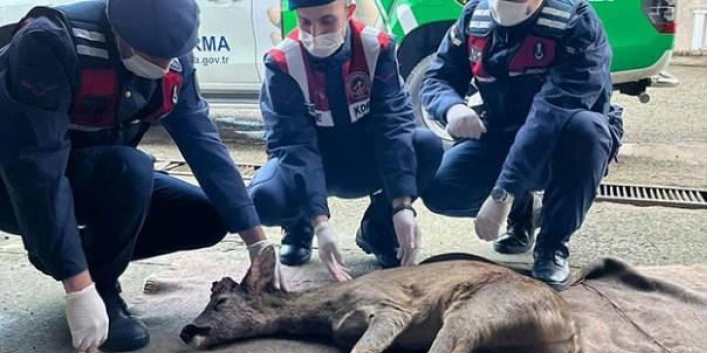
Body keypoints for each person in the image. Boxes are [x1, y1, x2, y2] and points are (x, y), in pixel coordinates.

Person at [0, 0, 283, 353]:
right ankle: (98, 285)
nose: (163, 67)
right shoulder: (50, 44)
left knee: (207, 217)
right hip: (16, 189)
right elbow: (36, 171)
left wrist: (257, 242)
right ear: (116, 28)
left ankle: (67, 255)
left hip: (101, 177)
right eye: (152, 54)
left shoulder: (174, 58)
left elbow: (203, 143)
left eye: (172, 56)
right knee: (133, 168)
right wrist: (77, 284)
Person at [419, 0, 624, 291]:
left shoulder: (574, 22)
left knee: (588, 132)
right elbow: (438, 76)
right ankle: (524, 210)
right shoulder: (476, 17)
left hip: (561, 135)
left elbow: (549, 115)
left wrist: (504, 192)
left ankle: (553, 243)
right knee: (443, 190)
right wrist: (451, 107)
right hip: (503, 131)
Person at [248, 0, 443, 281]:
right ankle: (298, 224)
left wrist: (402, 204)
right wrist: (320, 222)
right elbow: (295, 145)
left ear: (349, 11)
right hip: (314, 164)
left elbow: (392, 125)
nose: (315, 33)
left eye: (327, 21)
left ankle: (380, 226)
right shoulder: (282, 63)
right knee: (263, 198)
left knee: (425, 145)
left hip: (364, 159)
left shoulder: (377, 48)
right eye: (305, 22)